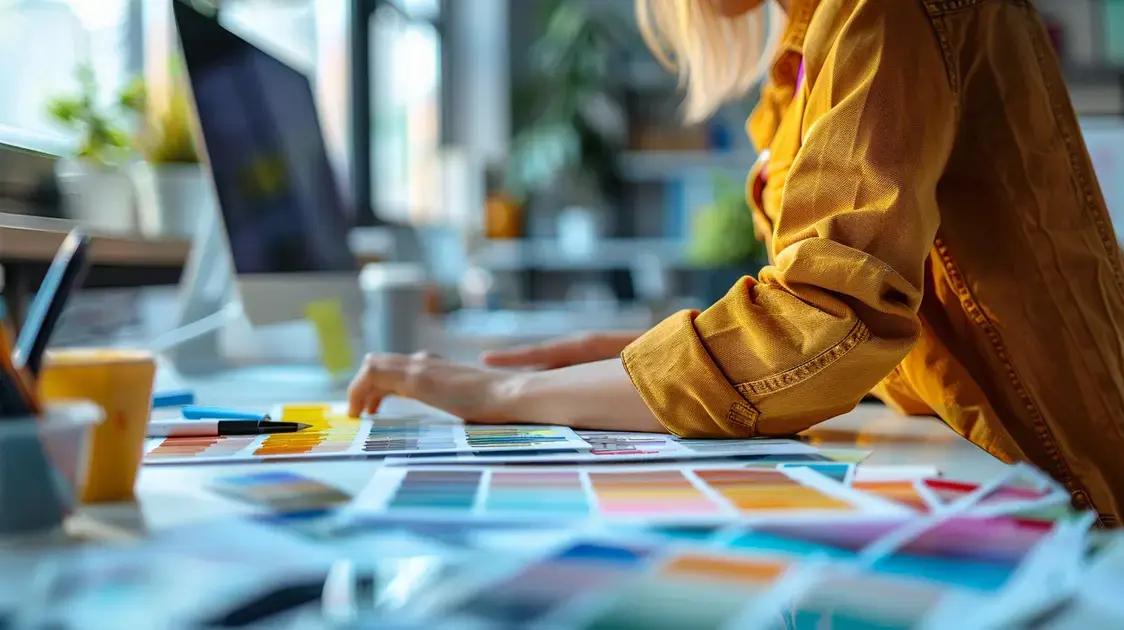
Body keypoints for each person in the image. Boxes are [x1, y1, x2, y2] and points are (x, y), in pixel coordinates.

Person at [348, 0, 1124, 525]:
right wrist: (629, 365)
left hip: (1068, 488)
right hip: (997, 466)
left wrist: (508, 392)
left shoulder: (882, 12)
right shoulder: (808, 34)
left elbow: (828, 322)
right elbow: (873, 322)